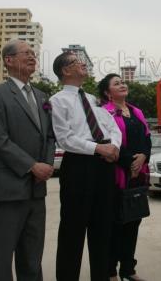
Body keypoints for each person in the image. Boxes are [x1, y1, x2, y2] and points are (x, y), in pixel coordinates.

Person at [0, 40, 56, 281]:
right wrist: (32, 166)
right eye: (26, 53)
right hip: (7, 190)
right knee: (1, 259)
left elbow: (49, 136)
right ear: (9, 60)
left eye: (33, 53)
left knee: (32, 258)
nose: (33, 56)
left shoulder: (41, 95)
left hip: (36, 191)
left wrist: (45, 166)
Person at [50, 51, 121, 281]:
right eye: (75, 62)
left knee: (102, 229)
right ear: (65, 71)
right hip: (79, 166)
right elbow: (64, 138)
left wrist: (114, 147)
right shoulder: (57, 100)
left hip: (105, 165)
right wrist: (97, 148)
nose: (82, 64)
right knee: (73, 230)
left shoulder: (93, 99)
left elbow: (113, 127)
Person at [98, 74, 151, 281]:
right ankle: (110, 270)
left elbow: (147, 138)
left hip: (138, 175)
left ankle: (128, 269)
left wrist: (144, 157)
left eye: (122, 82)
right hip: (115, 175)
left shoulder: (136, 111)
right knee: (114, 224)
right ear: (106, 92)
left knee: (133, 221)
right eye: (116, 83)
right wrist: (130, 162)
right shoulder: (104, 113)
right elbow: (108, 142)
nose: (122, 84)